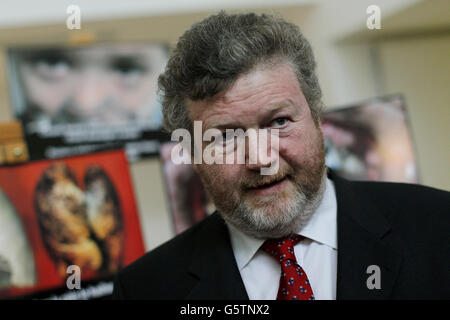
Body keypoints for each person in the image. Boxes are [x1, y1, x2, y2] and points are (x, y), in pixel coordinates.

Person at [112, 12, 450, 300]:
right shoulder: (144, 290)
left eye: (278, 122)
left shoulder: (438, 227)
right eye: (226, 136)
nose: (261, 159)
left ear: (318, 119)